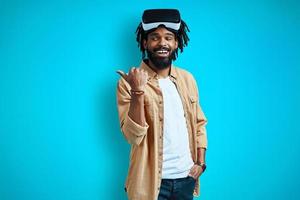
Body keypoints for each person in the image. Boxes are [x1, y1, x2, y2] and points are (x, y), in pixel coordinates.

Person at [116, 9, 208, 200]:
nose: (162, 43)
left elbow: (199, 124)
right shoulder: (128, 82)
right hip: (149, 184)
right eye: (155, 38)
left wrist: (200, 163)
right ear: (145, 42)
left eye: (168, 37)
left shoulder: (187, 79)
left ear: (176, 43)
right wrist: (138, 91)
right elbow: (133, 137)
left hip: (186, 178)